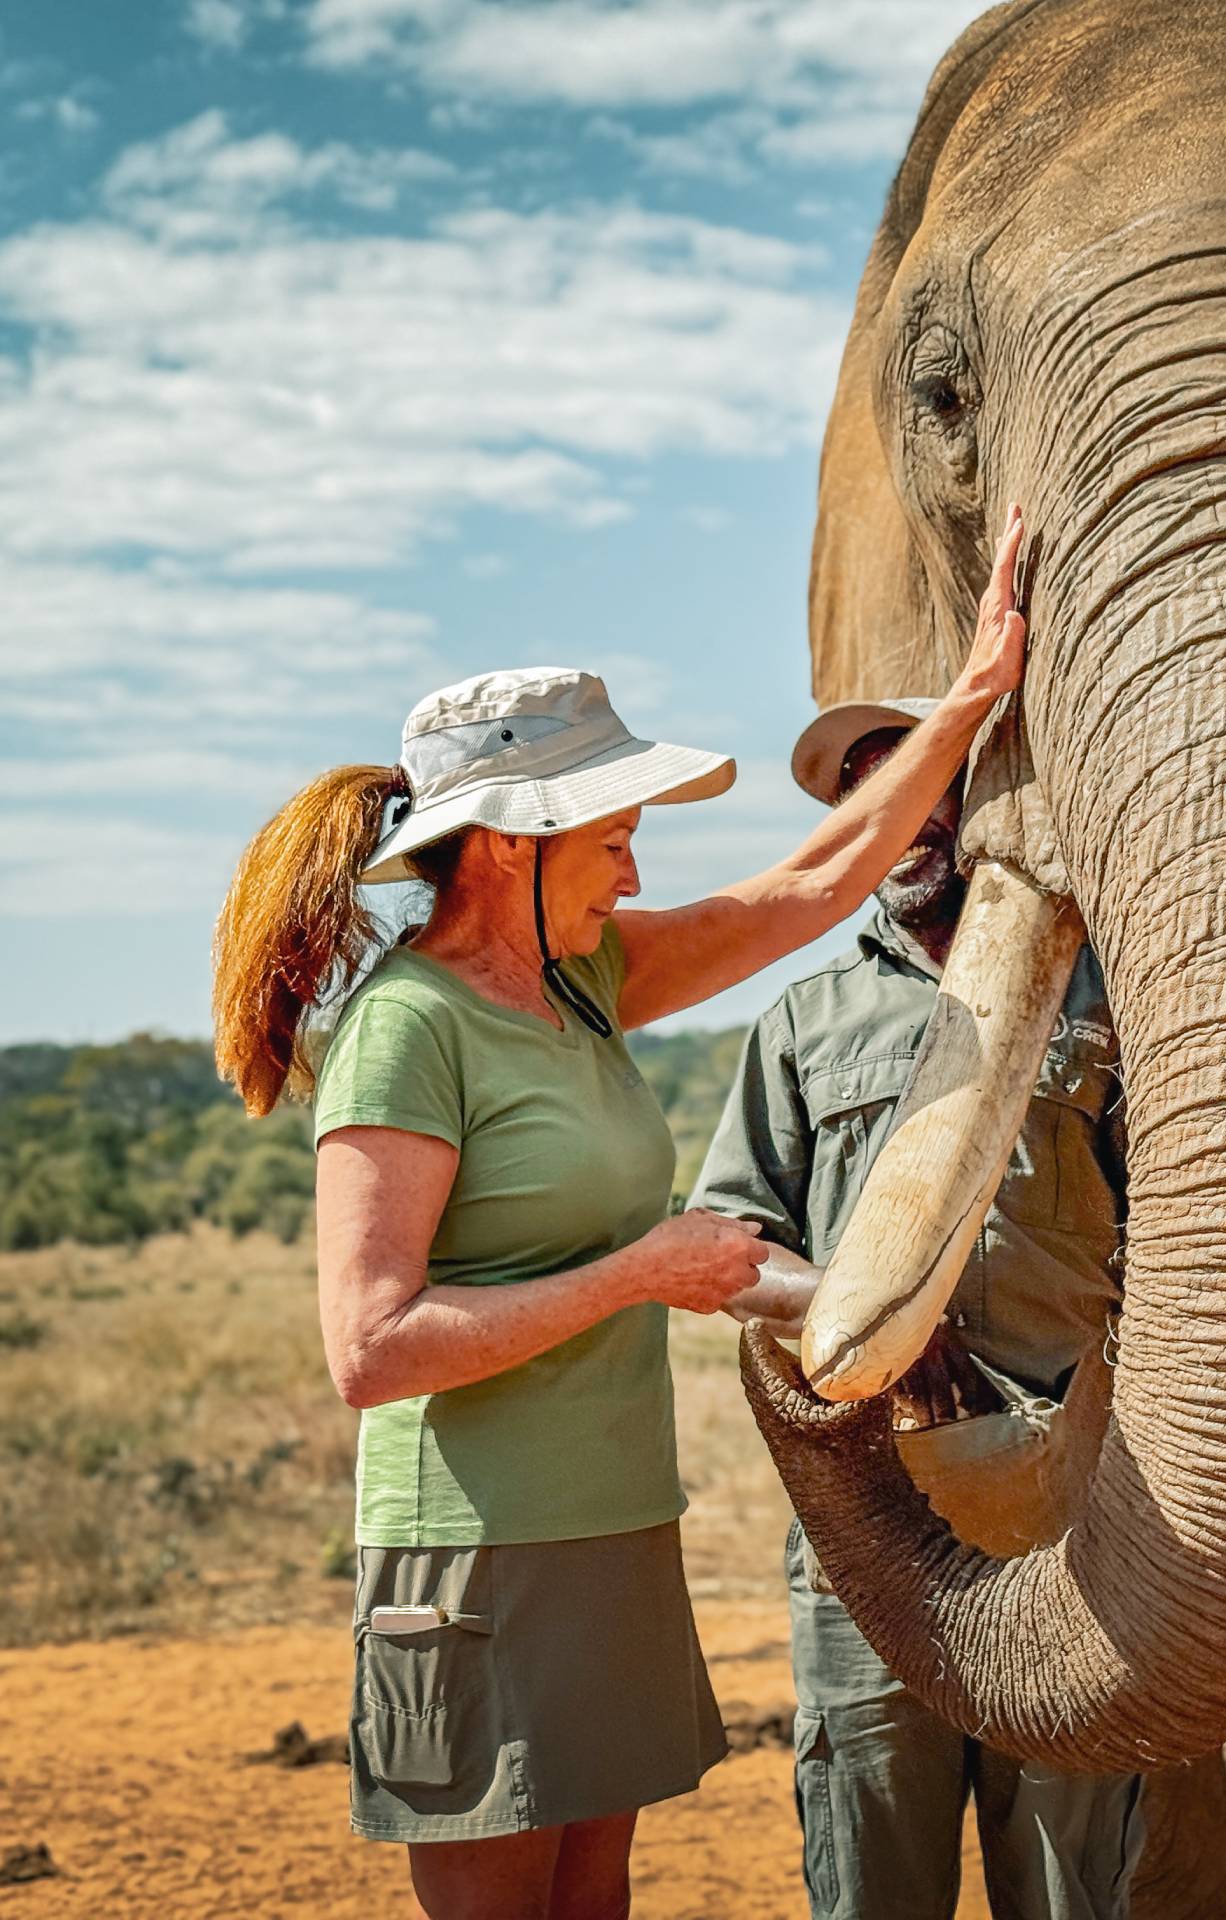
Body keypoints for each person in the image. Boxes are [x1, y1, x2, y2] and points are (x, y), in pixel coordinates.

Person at [208, 509, 1028, 1920]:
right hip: (475, 1558)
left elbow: (808, 886)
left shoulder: (578, 981)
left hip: (612, 1530)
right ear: (519, 844)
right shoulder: (407, 1029)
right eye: (619, 837)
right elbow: (372, 1348)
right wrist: (638, 1271)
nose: (638, 871)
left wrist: (971, 697)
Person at [690, 697, 1144, 1920]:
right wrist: (872, 1322)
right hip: (866, 1519)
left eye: (917, 786)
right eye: (860, 800)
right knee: (874, 1870)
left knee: (1068, 1880)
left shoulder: (1102, 999)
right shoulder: (802, 1022)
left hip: (1073, 1516)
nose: (894, 824)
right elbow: (729, 1249)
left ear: (976, 800)